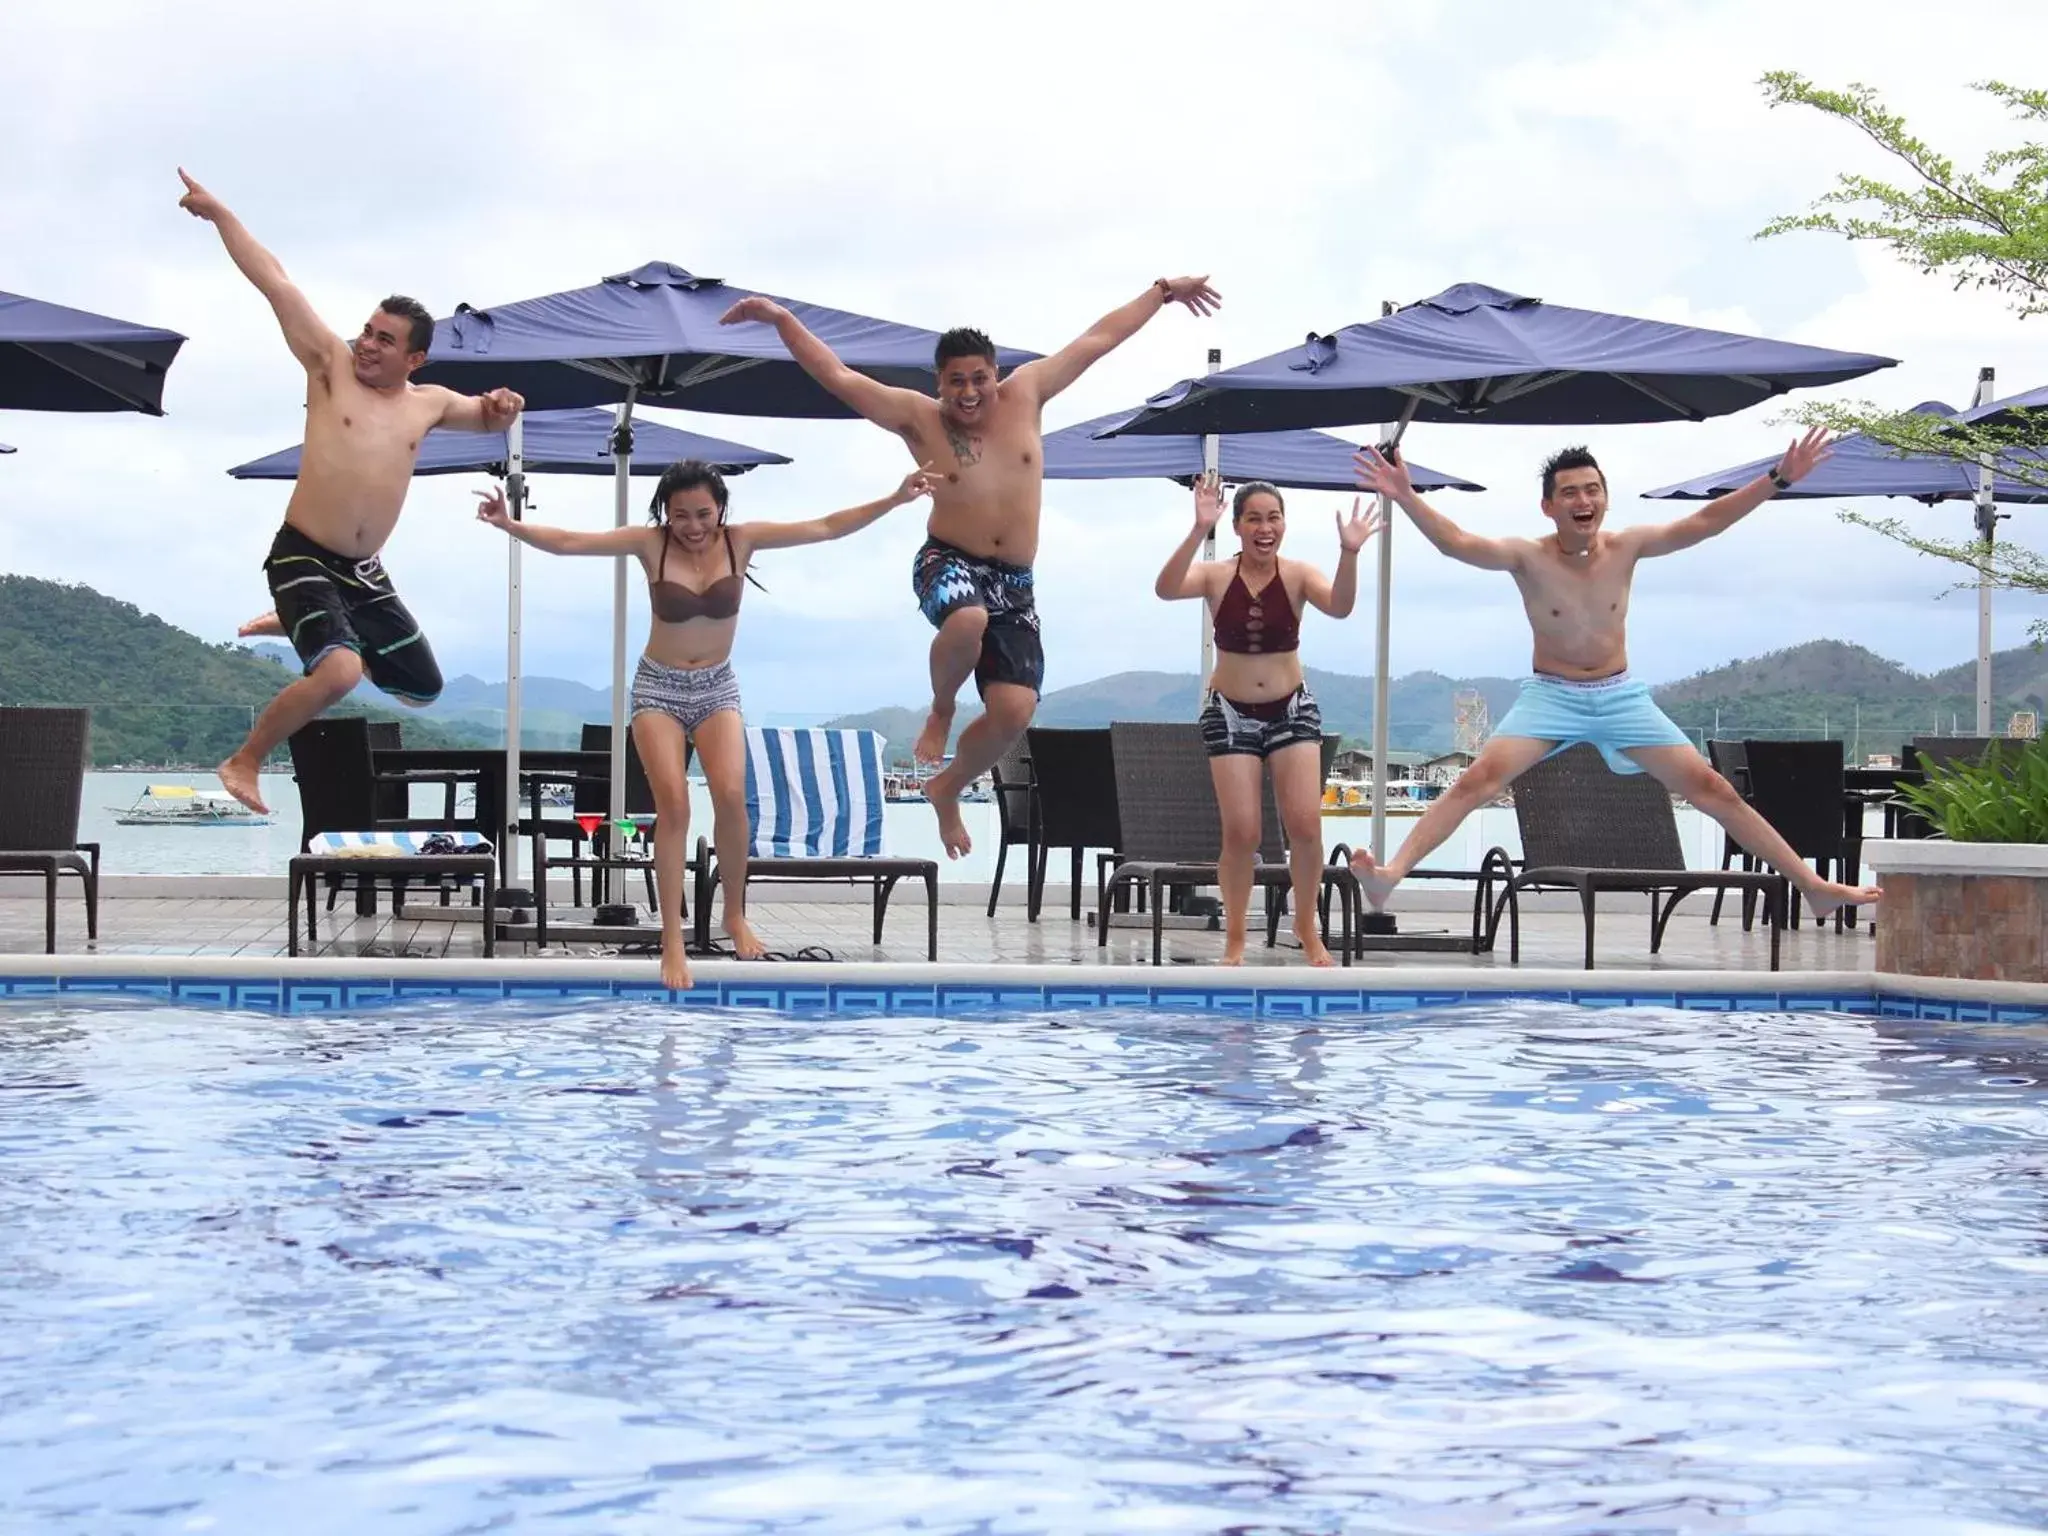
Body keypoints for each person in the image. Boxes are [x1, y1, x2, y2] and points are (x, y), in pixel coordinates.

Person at [716, 277, 1221, 858]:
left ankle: (946, 786)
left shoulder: (1029, 392)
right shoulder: (918, 418)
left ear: (996, 373)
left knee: (1014, 712)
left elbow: (1098, 340)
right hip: (947, 561)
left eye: (979, 377)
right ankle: (942, 708)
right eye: (956, 381)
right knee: (967, 620)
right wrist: (781, 319)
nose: (969, 392)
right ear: (939, 383)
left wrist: (1160, 293)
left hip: (1016, 583)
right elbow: (838, 376)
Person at [1346, 430, 1883, 921]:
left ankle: (1812, 885)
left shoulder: (1627, 547)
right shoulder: (1526, 556)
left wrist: (1777, 479)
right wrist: (1406, 496)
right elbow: (1457, 543)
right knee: (1475, 781)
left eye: (1593, 490)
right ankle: (1392, 874)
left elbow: (1703, 522)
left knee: (1712, 788)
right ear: (1548, 505)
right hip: (1551, 697)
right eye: (1571, 493)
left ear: (1605, 497)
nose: (1584, 502)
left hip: (1619, 696)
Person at [475, 458, 937, 990]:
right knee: (673, 803)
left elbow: (826, 527)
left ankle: (733, 913)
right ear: (665, 515)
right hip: (658, 687)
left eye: (702, 514)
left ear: (720, 508)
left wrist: (894, 498)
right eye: (680, 516)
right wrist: (512, 525)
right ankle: (673, 939)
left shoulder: (742, 541)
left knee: (732, 794)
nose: (693, 527)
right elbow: (572, 542)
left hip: (717, 685)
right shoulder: (652, 545)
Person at [177, 169, 523, 815]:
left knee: (421, 688)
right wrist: (222, 213)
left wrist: (504, 406)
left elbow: (485, 414)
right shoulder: (330, 369)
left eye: (384, 341)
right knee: (338, 673)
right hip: (303, 554)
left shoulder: (428, 403)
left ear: (414, 360)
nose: (366, 344)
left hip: (363, 574)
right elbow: (274, 281)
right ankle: (244, 759)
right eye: (367, 330)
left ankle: (306, 625)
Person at [1154, 472, 1381, 966]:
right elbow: (1165, 588)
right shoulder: (1216, 576)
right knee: (1243, 832)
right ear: (1237, 526)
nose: (1265, 527)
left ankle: (1306, 925)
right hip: (1230, 713)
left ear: (1284, 525)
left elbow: (1340, 606)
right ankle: (1236, 936)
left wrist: (1351, 552)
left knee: (1304, 824)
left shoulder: (1298, 575)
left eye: (1273, 518)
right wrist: (1198, 529)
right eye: (1254, 518)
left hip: (1291, 709)